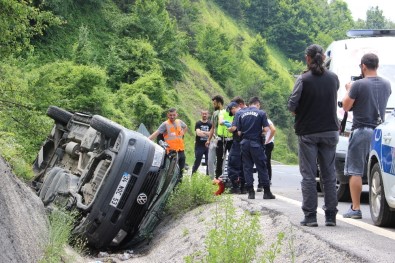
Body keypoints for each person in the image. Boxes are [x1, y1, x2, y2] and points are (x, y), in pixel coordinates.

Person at [287, 44, 340, 227]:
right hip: (330, 131)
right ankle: (331, 216)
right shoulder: (334, 78)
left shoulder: (303, 79)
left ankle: (310, 216)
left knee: (309, 175)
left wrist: (300, 112)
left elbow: (292, 105)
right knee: (329, 174)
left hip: (308, 132)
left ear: (307, 58)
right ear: (323, 58)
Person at [341, 53, 391, 219]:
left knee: (355, 171)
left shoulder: (358, 85)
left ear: (363, 66)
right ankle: (381, 206)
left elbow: (346, 107)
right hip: (379, 131)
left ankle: (355, 208)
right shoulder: (386, 84)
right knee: (378, 169)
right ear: (377, 65)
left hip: (361, 130)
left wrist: (349, 90)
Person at [237, 96, 275, 200]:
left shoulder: (241, 114)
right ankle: (267, 192)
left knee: (247, 167)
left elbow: (239, 132)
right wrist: (260, 133)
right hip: (256, 143)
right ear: (257, 104)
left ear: (249, 104)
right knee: (262, 167)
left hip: (244, 143)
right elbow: (267, 128)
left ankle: (250, 192)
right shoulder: (261, 113)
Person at [148, 108, 188, 180]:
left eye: (174, 115)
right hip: (171, 152)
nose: (172, 117)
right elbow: (156, 133)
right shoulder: (165, 124)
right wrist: (147, 140)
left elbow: (185, 127)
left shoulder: (179, 122)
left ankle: (177, 188)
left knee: (181, 172)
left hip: (181, 150)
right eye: (170, 115)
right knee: (171, 173)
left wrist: (183, 132)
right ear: (168, 115)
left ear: (177, 115)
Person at [206, 95, 233, 179]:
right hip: (215, 139)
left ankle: (219, 178)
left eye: (214, 103)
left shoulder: (226, 113)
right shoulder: (215, 113)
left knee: (222, 160)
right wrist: (208, 139)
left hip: (223, 139)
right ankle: (211, 178)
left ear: (219, 103)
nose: (213, 105)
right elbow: (213, 128)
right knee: (210, 160)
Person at [226, 100, 246, 194]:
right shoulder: (247, 113)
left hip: (238, 143)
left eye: (231, 111)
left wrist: (229, 129)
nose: (232, 113)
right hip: (247, 143)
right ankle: (244, 187)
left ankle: (235, 187)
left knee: (232, 164)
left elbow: (234, 128)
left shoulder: (238, 114)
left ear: (234, 108)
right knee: (245, 165)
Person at [191, 110, 212, 175]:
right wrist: (208, 133)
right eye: (203, 114)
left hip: (208, 145)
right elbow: (198, 134)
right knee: (197, 162)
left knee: (208, 162)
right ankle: (193, 176)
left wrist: (203, 132)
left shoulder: (210, 123)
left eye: (206, 114)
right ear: (201, 114)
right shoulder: (198, 123)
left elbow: (212, 134)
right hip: (199, 146)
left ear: (208, 114)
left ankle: (207, 178)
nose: (204, 115)